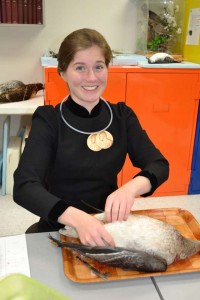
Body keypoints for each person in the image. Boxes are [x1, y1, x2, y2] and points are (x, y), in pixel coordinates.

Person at [13, 28, 169, 246]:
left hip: (108, 227)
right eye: (80, 68)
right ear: (62, 72)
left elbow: (159, 165)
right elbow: (24, 186)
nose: (91, 77)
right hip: (59, 228)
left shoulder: (122, 116)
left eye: (98, 66)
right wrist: (77, 219)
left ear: (107, 68)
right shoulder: (49, 120)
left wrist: (130, 188)